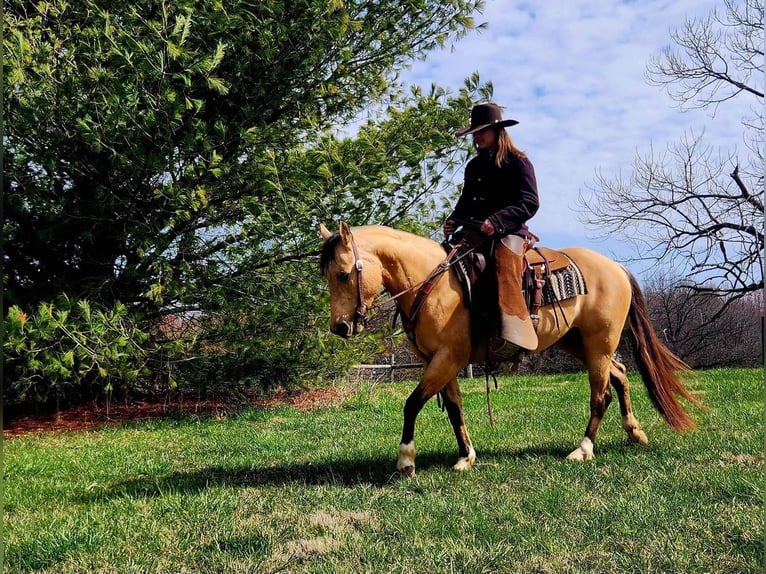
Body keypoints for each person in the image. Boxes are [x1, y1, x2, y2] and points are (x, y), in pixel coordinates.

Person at [443, 102, 540, 354]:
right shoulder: (473, 167)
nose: (478, 136)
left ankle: (513, 333)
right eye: (475, 132)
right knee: (445, 261)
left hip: (509, 231)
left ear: (498, 131)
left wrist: (497, 221)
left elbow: (530, 202)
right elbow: (466, 202)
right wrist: (454, 220)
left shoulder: (518, 162)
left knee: (503, 265)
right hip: (476, 231)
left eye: (483, 130)